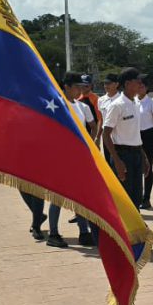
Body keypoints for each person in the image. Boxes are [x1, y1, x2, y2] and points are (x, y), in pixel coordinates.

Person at [46, 72, 101, 247]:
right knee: (58, 196)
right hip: (61, 158)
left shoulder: (82, 106)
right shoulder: (57, 105)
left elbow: (93, 126)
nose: (80, 90)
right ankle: (53, 233)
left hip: (79, 158)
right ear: (67, 87)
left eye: (82, 87)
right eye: (77, 87)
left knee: (81, 196)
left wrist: (90, 144)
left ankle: (84, 232)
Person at [103, 68, 150, 209]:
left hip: (136, 154)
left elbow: (134, 135)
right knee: (125, 198)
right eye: (138, 81)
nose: (141, 84)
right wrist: (117, 161)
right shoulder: (117, 105)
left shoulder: (135, 103)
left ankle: (136, 229)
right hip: (122, 156)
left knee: (136, 196)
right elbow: (106, 134)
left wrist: (144, 157)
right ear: (128, 83)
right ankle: (124, 230)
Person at [137, 74, 153, 209]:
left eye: (141, 85)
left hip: (147, 136)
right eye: (137, 85)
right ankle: (137, 197)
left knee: (147, 168)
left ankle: (146, 198)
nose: (139, 88)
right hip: (134, 137)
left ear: (146, 87)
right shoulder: (132, 101)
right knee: (135, 168)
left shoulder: (151, 103)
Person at [98, 73, 120, 163]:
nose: (106, 86)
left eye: (109, 83)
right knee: (109, 164)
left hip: (119, 138)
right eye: (105, 83)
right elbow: (101, 119)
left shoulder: (122, 99)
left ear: (116, 84)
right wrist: (98, 137)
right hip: (106, 138)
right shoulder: (101, 100)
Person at [79, 74, 102, 146]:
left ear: (91, 86)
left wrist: (96, 138)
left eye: (86, 86)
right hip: (80, 133)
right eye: (81, 85)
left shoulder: (96, 99)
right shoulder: (77, 98)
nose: (83, 88)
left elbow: (99, 119)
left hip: (91, 133)